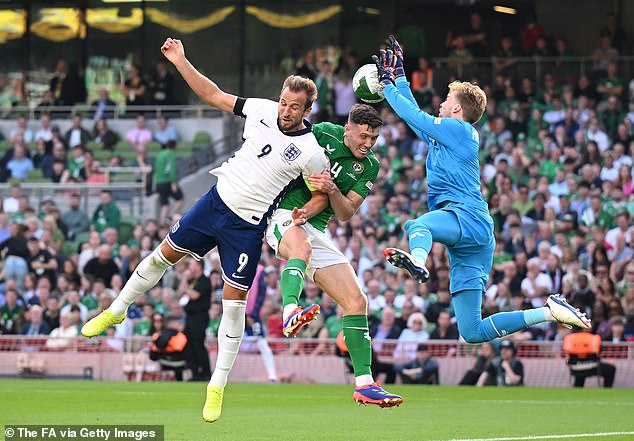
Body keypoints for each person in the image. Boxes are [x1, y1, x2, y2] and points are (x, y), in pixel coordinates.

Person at [81, 37, 329, 424]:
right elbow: (213, 94)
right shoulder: (261, 110)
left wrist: (304, 212)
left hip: (246, 227)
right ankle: (115, 310)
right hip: (215, 202)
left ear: (307, 110)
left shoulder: (312, 151)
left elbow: (321, 193)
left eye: (294, 107)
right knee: (163, 254)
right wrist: (181, 60)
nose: (285, 110)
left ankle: (217, 386)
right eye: (283, 102)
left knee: (233, 305)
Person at [374, 36, 591, 347]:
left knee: (417, 225)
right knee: (472, 331)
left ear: (458, 109)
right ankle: (549, 312)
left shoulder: (458, 129)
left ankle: (419, 260)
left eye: (446, 100)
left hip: (466, 217)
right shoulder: (447, 135)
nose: (441, 103)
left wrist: (386, 88)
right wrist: (398, 78)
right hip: (473, 238)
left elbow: (414, 116)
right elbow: (413, 115)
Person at [264, 104, 403, 407]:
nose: (368, 144)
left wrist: (331, 189)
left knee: (357, 301)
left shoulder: (370, 166)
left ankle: (365, 384)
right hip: (283, 214)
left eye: (374, 139)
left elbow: (345, 213)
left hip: (316, 226)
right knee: (300, 248)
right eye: (363, 136)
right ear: (348, 128)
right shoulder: (323, 132)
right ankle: (290, 312)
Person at [179, 258, 212, 381]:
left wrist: (186, 289)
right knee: (190, 345)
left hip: (199, 317)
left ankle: (205, 372)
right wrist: (184, 278)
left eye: (192, 264)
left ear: (199, 266)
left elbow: (195, 295)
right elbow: (180, 291)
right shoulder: (191, 281)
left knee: (199, 344)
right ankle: (195, 373)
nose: (189, 267)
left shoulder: (204, 280)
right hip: (190, 316)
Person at [154, 140, 183, 222]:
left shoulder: (159, 154)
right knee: (180, 198)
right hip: (167, 181)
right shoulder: (171, 154)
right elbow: (171, 169)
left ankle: (162, 223)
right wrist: (173, 182)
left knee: (164, 204)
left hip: (159, 182)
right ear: (174, 147)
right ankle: (173, 217)